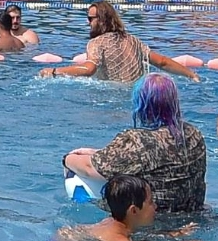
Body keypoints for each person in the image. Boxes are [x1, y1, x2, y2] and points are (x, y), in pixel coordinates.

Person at [61, 74, 208, 214]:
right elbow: (161, 159)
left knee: (65, 237)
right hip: (195, 216)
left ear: (141, 104)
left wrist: (67, 158)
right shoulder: (193, 134)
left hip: (152, 225)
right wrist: (96, 152)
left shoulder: (138, 141)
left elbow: (90, 169)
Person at [37, 2, 200, 82]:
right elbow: (163, 63)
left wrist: (54, 71)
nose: (88, 23)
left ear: (100, 20)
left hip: (112, 98)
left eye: (90, 19)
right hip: (138, 93)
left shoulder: (97, 43)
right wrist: (191, 74)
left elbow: (88, 69)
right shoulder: (133, 40)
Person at [54, 175, 202, 241]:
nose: (155, 206)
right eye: (150, 203)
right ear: (133, 211)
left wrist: (175, 233)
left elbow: (144, 234)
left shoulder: (113, 221)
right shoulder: (120, 240)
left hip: (67, 236)